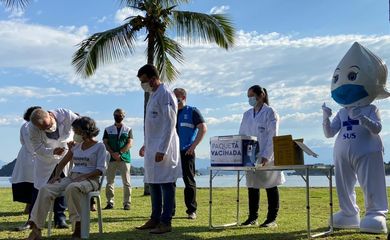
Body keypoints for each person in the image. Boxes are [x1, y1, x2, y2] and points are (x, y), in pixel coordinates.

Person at [323, 42, 388, 233]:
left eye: (351, 76)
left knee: (371, 181)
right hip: (342, 152)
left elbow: (376, 128)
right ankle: (348, 212)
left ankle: (376, 212)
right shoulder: (342, 113)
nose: (342, 83)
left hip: (368, 150)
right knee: (343, 183)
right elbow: (329, 133)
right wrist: (325, 117)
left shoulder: (371, 108)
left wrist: (364, 118)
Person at [25, 116, 108, 240]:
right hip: (73, 177)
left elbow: (100, 170)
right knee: (45, 189)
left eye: (77, 131)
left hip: (91, 179)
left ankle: (78, 227)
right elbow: (62, 163)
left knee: (72, 188)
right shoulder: (76, 147)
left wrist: (84, 177)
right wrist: (57, 175)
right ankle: (37, 229)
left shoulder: (99, 147)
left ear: (85, 132)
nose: (75, 134)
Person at [135, 64, 181, 234]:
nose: (143, 85)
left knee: (166, 183)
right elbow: (153, 125)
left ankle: (166, 221)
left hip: (165, 147)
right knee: (153, 183)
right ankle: (154, 218)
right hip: (152, 146)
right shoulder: (153, 95)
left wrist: (162, 149)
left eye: (144, 81)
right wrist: (146, 144)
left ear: (153, 79)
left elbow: (169, 124)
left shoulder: (166, 94)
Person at [239, 85, 285, 227]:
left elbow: (273, 135)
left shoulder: (270, 112)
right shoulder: (247, 114)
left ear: (262, 95)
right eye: (248, 97)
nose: (250, 99)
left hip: (267, 154)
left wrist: (267, 155)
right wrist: (241, 154)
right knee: (252, 186)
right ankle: (252, 217)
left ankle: (272, 219)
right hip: (250, 156)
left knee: (270, 185)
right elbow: (241, 134)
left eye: (252, 96)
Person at [29, 108, 79, 229]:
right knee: (40, 188)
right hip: (46, 160)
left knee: (61, 184)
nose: (47, 129)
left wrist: (76, 142)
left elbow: (81, 127)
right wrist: (52, 151)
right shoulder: (32, 128)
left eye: (48, 125)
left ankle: (60, 218)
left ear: (51, 116)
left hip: (66, 155)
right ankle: (33, 220)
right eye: (43, 129)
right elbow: (37, 148)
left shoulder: (66, 115)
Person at [173, 88, 207, 220]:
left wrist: (193, 146)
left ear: (183, 96)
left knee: (189, 181)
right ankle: (170, 210)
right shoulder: (172, 112)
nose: (174, 98)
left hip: (187, 151)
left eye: (176, 96)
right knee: (170, 182)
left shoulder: (192, 111)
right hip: (172, 153)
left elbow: (203, 128)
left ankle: (191, 210)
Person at [11, 106, 41, 231]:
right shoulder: (32, 126)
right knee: (34, 185)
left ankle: (30, 210)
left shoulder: (24, 126)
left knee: (30, 185)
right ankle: (32, 214)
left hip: (25, 157)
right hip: (35, 157)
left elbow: (22, 141)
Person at [103, 108, 133, 210]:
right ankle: (110, 202)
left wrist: (120, 153)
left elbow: (130, 143)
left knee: (127, 182)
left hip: (124, 158)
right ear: (113, 115)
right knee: (110, 181)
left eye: (120, 115)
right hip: (111, 159)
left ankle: (127, 203)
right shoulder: (108, 129)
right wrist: (112, 153)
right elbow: (105, 142)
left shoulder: (128, 129)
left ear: (124, 116)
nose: (118, 117)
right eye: (116, 115)